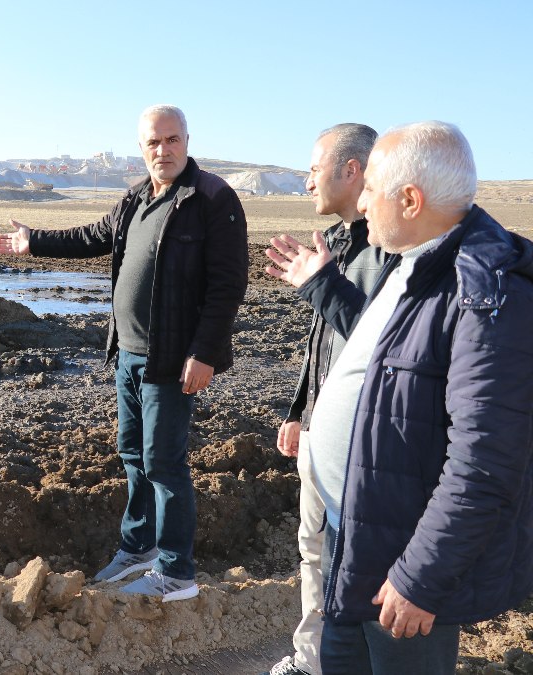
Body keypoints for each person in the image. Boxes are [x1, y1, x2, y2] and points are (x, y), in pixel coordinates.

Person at [280, 121, 533, 674]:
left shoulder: (485, 294)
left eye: (370, 187)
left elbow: (486, 463)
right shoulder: (411, 265)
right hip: (359, 534)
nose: (362, 201)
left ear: (411, 200)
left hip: (403, 563)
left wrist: (420, 577)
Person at [0, 105, 248, 601]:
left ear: (187, 140)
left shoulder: (213, 198)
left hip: (174, 359)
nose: (164, 150)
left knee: (164, 462)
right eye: (154, 142)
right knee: (133, 453)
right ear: (141, 147)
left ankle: (176, 572)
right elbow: (93, 236)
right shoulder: (136, 198)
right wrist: (34, 241)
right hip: (130, 354)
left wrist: (206, 352)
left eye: (172, 140)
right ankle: (139, 549)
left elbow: (228, 285)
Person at [261, 124, 391, 675]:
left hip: (363, 444)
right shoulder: (336, 242)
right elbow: (323, 341)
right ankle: (313, 660)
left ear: (353, 170)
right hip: (320, 429)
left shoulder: (390, 248)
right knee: (313, 550)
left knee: (352, 559)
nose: (308, 179)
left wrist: (322, 285)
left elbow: (383, 343)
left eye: (316, 168)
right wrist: (298, 411)